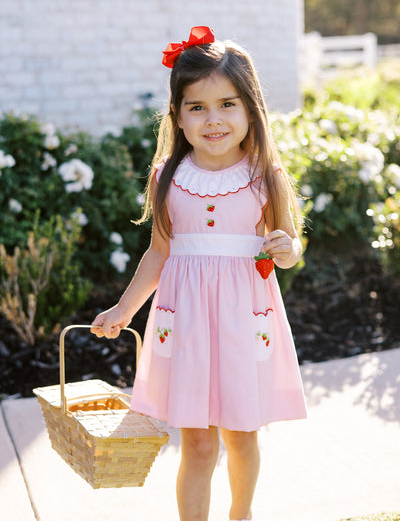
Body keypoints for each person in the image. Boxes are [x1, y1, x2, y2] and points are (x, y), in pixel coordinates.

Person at [91, 26, 307, 521]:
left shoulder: (263, 174)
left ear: (251, 109)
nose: (214, 120)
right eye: (198, 107)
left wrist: (285, 248)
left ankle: (241, 515)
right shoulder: (168, 175)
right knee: (198, 444)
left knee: (242, 434)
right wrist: (125, 309)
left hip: (242, 323)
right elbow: (158, 252)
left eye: (228, 104)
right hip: (186, 325)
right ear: (178, 116)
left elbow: (290, 248)